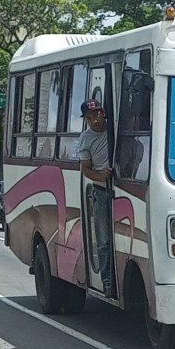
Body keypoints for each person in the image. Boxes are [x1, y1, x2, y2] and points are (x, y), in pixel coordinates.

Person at [77, 99, 113, 296]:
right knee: (104, 240)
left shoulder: (116, 130)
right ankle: (107, 282)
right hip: (101, 191)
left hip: (123, 190)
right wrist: (101, 176)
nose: (94, 120)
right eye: (89, 118)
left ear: (104, 113)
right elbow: (86, 170)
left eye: (96, 115)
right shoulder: (86, 138)